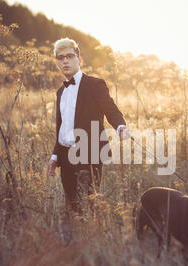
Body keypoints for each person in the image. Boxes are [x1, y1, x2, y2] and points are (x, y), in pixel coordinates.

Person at [47, 38, 130, 216]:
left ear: (79, 59)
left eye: (70, 56)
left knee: (91, 204)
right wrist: (55, 156)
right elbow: (61, 128)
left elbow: (111, 109)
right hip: (65, 156)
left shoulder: (95, 85)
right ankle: (74, 240)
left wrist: (121, 126)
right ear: (57, 63)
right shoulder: (60, 92)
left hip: (89, 154)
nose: (65, 61)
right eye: (60, 58)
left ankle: (95, 238)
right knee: (71, 205)